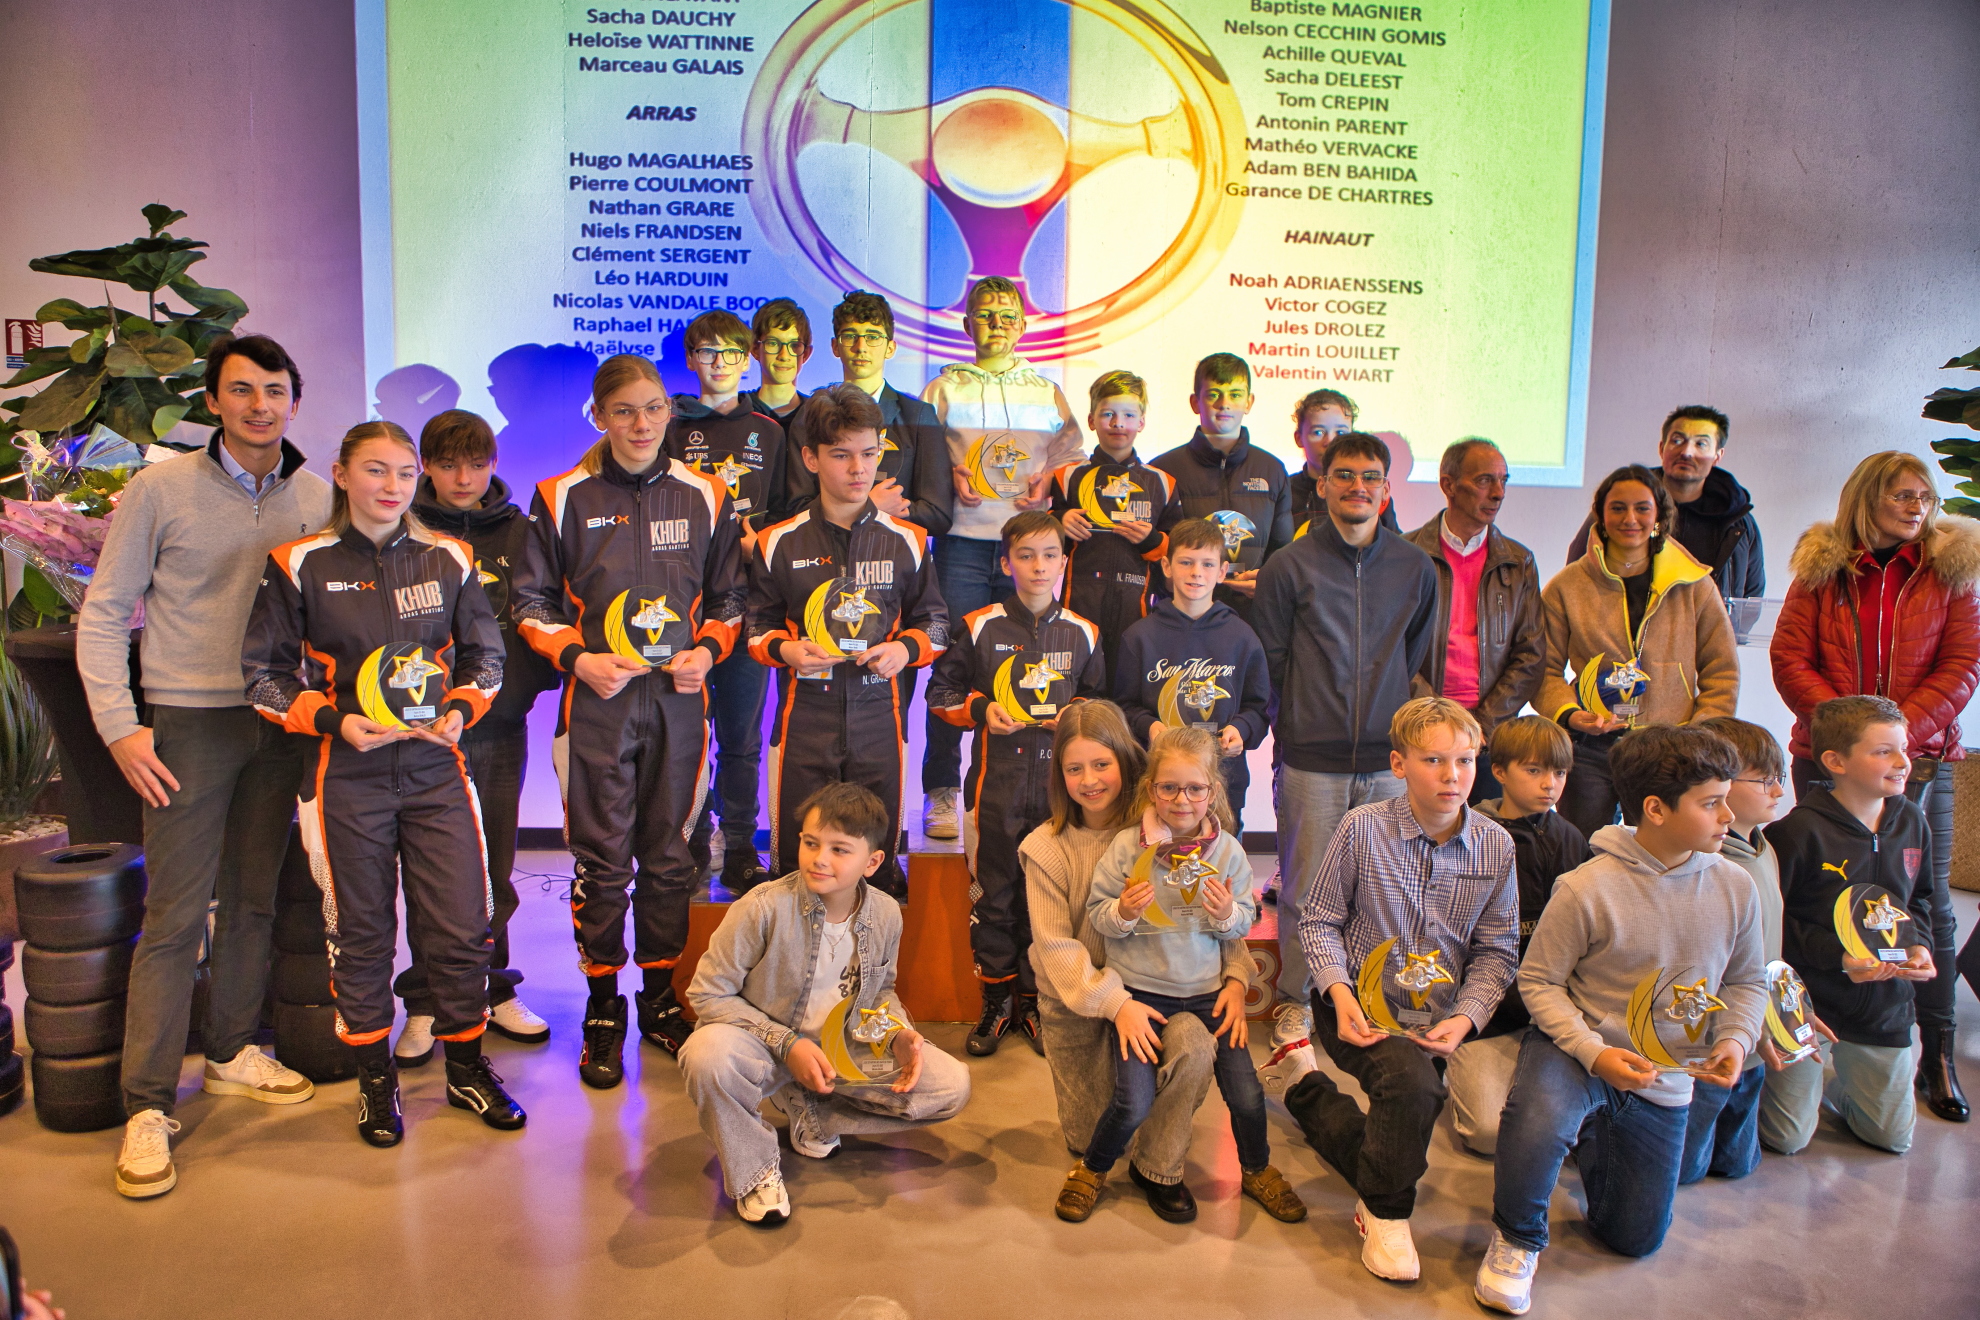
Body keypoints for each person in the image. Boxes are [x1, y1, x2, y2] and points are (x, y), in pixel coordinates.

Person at [79, 333, 331, 1199]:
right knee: (175, 917)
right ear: (214, 400)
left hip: (279, 722)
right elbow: (105, 612)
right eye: (242, 390)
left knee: (253, 898)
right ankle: (148, 1105)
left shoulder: (318, 498)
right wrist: (122, 728)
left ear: (295, 401)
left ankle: (229, 1051)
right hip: (187, 725)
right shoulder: (161, 489)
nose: (261, 405)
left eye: (275, 390)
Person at [242, 420, 522, 1147]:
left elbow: (486, 659)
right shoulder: (298, 561)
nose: (391, 486)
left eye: (403, 472)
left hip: (436, 770)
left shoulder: (448, 556)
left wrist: (461, 710)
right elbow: (263, 678)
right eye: (375, 470)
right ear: (342, 475)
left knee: (461, 926)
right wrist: (334, 722)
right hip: (347, 774)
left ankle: (467, 1069)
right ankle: (376, 1083)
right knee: (361, 933)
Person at [1474, 726, 1765, 1315]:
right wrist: (1593, 1052)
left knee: (1635, 1238)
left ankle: (1602, 1137)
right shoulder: (1586, 887)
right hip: (1578, 1048)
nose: (1729, 815)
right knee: (1538, 1116)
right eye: (1711, 802)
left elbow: (1747, 981)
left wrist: (1736, 1038)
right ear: (1655, 809)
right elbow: (1538, 982)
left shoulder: (1736, 886)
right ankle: (1516, 1235)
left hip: (1662, 1069)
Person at [513, 354, 745, 1087]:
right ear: (599, 417)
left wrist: (708, 651)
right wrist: (578, 659)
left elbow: (731, 599)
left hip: (680, 705)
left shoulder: (707, 493)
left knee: (671, 858)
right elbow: (530, 603)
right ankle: (603, 1007)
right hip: (598, 706)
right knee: (603, 862)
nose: (640, 424)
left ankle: (660, 999)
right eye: (623, 411)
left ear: (669, 412)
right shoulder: (559, 496)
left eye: (652, 409)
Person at [1770, 449, 1978, 1122]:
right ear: (1867, 499)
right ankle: (1802, 1029)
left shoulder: (1952, 571)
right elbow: (1790, 657)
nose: (1918, 507)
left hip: (1921, 757)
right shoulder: (1822, 569)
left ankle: (1935, 1050)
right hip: (1827, 756)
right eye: (1902, 496)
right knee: (1816, 892)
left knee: (1927, 903)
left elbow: (1963, 661)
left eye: (1925, 497)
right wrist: (1846, 738)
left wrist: (1892, 740)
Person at [1291, 697, 1518, 1281]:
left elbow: (1497, 951)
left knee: (1400, 1123)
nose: (1452, 776)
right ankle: (1385, 1213)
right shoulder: (1361, 828)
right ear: (1399, 764)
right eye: (1434, 760)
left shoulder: (1497, 845)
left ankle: (1305, 1092)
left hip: (1438, 1015)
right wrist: (1340, 995)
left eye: (1465, 760)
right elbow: (1318, 920)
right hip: (1355, 1005)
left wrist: (1466, 1018)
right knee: (1414, 1091)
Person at [680, 782, 972, 1226]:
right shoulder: (761, 908)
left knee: (950, 1086)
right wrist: (788, 1044)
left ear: (872, 862)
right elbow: (707, 993)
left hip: (839, 1049)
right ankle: (756, 1169)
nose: (819, 859)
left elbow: (880, 992)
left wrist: (896, 1033)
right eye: (811, 843)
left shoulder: (885, 914)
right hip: (761, 1046)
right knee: (707, 1057)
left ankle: (813, 1112)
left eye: (839, 850)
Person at [1251, 430, 1440, 1091]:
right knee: (1306, 891)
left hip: (1387, 761)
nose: (1358, 486)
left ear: (1386, 489)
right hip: (1312, 760)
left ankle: (1368, 996)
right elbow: (1272, 660)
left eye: (1370, 477)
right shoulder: (1288, 567)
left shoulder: (1415, 568)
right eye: (1345, 475)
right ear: (1323, 483)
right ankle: (1295, 1002)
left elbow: (1415, 656)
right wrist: (1297, 726)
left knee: (1382, 889)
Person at [1057, 728, 1305, 1226]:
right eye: (1169, 788)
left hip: (1208, 997)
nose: (1182, 800)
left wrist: (1225, 913)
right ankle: (1092, 1168)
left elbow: (1244, 922)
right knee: (1132, 1101)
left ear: (1212, 791)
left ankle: (1256, 1169)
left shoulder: (1227, 852)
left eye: (1194, 788)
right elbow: (1099, 915)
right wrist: (1124, 912)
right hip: (1141, 997)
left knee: (1247, 1095)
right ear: (1151, 790)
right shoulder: (1128, 848)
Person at [1020, 701, 1239, 1222]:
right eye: (1074, 768)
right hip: (1081, 1005)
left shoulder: (1172, 827)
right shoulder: (1045, 848)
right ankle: (1124, 1138)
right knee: (1090, 1137)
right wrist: (1115, 1004)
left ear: (1126, 762)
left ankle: (1159, 1167)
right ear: (1059, 775)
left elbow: (1218, 912)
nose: (1089, 780)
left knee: (1194, 1048)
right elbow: (1056, 948)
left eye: (1102, 764)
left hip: (1160, 992)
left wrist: (1235, 976)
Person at [390, 409, 560, 1067]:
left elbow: (543, 610)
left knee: (494, 870)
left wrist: (521, 688)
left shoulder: (522, 530)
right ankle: (426, 1002)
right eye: (447, 464)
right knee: (427, 873)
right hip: (420, 732)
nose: (464, 478)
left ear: (493, 464)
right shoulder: (402, 530)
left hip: (497, 727)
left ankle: (494, 989)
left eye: (477, 464)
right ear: (426, 467)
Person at [749, 383, 948, 894]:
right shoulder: (777, 541)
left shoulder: (910, 539)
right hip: (803, 719)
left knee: (878, 868)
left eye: (869, 453)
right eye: (841, 455)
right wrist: (786, 650)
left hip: (880, 717)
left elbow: (936, 624)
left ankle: (875, 948)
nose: (859, 469)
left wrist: (903, 650)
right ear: (811, 459)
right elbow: (755, 628)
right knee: (796, 866)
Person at [930, 511, 1105, 1055]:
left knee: (1048, 901)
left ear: (1063, 561)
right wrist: (982, 709)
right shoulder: (979, 625)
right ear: (1006, 563)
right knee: (994, 896)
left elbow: (1101, 703)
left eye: (1049, 555)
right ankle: (996, 1003)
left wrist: (1075, 714)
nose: (1038, 566)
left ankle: (1036, 1003)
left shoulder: (1084, 631)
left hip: (1060, 791)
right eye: (1025, 555)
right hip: (994, 786)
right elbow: (941, 694)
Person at [920, 277, 1081, 839]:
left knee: (1029, 668)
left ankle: (1024, 793)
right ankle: (943, 791)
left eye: (1007, 315)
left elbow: (1072, 455)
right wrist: (948, 473)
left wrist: (1051, 479)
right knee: (952, 665)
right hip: (963, 544)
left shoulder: (1046, 391)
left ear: (1022, 325)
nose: (996, 324)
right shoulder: (942, 388)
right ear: (967, 325)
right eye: (984, 315)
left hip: (1027, 548)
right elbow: (920, 455)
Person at [1759, 696, 1937, 1157]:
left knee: (1891, 1139)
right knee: (1785, 1138)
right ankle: (1804, 1080)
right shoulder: (1796, 833)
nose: (1902, 762)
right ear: (1835, 762)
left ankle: (1835, 1084)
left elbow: (1922, 899)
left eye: (1904, 749)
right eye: (1883, 752)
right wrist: (1838, 958)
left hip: (1884, 1004)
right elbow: (1776, 924)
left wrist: (1920, 946)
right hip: (1810, 1000)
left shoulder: (1912, 821)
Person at [1540, 464, 1739, 840]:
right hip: (1591, 749)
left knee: (1661, 853)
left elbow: (1722, 669)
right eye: (1617, 508)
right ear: (1600, 515)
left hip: (1670, 750)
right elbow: (1544, 669)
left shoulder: (1694, 584)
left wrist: (1700, 733)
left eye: (1642, 508)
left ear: (1659, 515)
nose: (1629, 519)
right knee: (1582, 850)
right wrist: (1569, 714)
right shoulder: (1567, 586)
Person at [666, 309, 789, 894]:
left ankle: (740, 843)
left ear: (749, 359)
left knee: (741, 738)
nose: (720, 363)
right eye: (708, 352)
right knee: (688, 733)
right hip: (684, 609)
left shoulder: (769, 430)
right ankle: (691, 840)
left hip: (748, 603)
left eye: (732, 353)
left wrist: (757, 543)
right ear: (691, 359)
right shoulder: (668, 426)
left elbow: (789, 517)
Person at [1447, 716, 1591, 1158]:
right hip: (1486, 1016)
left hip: (1553, 1014)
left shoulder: (1571, 839)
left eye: (1559, 772)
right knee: (1489, 1134)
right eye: (1534, 770)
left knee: (1578, 1131)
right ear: (1499, 771)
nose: (1550, 784)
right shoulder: (1470, 835)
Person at [1679, 715, 1791, 1181]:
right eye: (1765, 780)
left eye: (1779, 778)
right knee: (1685, 1166)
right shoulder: (1706, 863)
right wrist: (1743, 1027)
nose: (1778, 791)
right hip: (1710, 1036)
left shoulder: (1764, 847)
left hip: (1754, 1024)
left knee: (1736, 1164)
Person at [1404, 438, 1545, 800]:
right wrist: (1435, 716)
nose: (1498, 493)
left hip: (1490, 737)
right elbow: (1390, 649)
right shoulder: (1406, 554)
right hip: (1420, 730)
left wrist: (1481, 725)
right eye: (1484, 481)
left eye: (1503, 480)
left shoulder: (1519, 561)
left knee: (1483, 831)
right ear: (1448, 485)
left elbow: (1530, 655)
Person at [1112, 517, 1271, 819]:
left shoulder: (1243, 637)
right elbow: (1123, 708)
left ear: (1222, 571)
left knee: (1221, 850)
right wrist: (1150, 727)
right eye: (1186, 562)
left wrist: (1241, 729)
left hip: (1222, 784)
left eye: (1207, 564)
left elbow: (1258, 709)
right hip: (1158, 785)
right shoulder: (1139, 637)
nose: (1196, 572)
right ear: (1167, 566)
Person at [1051, 370, 1182, 693]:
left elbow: (1177, 550)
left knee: (1128, 693)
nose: (1118, 423)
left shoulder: (1162, 483)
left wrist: (1152, 541)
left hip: (1136, 608)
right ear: (1091, 420)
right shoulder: (1067, 477)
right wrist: (1058, 523)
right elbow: (1043, 542)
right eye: (1107, 414)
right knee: (1078, 692)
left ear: (1142, 422)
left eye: (1128, 415)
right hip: (1078, 604)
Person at [1563, 406, 1765, 606]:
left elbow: (1751, 599)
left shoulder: (1737, 521)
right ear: (1662, 448)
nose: (1686, 452)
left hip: (1709, 626)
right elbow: (1576, 573)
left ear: (1717, 456)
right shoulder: (1621, 507)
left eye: (1701, 444)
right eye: (1677, 441)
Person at [1149, 353, 1292, 624]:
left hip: (1254, 617)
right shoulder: (1162, 470)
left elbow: (1283, 550)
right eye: (1213, 394)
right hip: (1183, 616)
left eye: (1235, 394)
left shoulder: (1272, 469)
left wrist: (1267, 581)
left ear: (1249, 402)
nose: (1224, 403)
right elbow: (1154, 549)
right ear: (1195, 402)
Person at [1286, 389, 1398, 536]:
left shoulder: (1371, 493)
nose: (1330, 441)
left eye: (1340, 433)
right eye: (1318, 432)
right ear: (1299, 438)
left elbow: (1393, 543)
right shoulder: (1284, 492)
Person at [749, 297, 812, 422]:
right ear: (755, 349)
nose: (783, 356)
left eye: (794, 345)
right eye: (773, 343)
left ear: (806, 354)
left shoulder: (819, 416)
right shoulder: (738, 412)